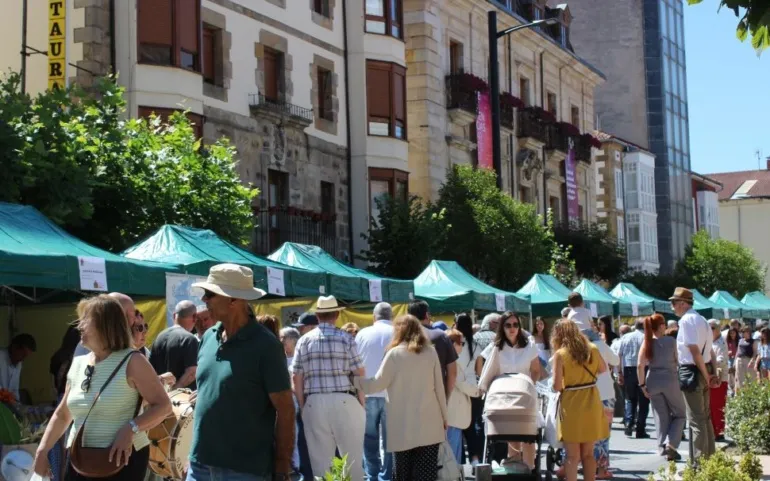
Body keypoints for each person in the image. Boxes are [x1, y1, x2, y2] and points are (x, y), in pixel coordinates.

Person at [32, 295, 172, 481]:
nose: (79, 326)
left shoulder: (134, 361)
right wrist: (42, 450)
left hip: (123, 461)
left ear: (104, 325)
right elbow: (63, 414)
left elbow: (163, 406)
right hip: (79, 459)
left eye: (85, 321)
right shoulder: (78, 363)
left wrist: (130, 429)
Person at [189, 263, 295, 480]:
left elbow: (285, 410)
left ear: (233, 300)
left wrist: (282, 466)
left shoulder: (266, 346)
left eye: (209, 294)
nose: (203, 300)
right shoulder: (208, 337)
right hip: (199, 466)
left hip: (244, 470)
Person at [353, 315, 448, 481]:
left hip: (402, 428)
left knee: (403, 475)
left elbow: (375, 385)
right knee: (426, 476)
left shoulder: (394, 354)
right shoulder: (430, 352)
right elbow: (440, 389)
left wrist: (354, 381)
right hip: (430, 426)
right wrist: (445, 418)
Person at [292, 296, 365, 480]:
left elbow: (296, 376)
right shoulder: (346, 339)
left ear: (317, 315)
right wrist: (362, 402)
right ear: (337, 314)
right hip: (345, 399)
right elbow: (359, 373)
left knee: (321, 465)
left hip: (314, 401)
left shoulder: (303, 340)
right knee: (353, 461)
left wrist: (302, 405)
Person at [478, 312, 540, 469]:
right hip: (504, 397)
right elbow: (484, 367)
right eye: (508, 325)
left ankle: (529, 468)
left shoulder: (529, 345)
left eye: (515, 325)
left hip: (524, 395)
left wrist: (529, 386)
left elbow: (536, 370)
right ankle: (515, 468)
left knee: (528, 436)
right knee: (512, 436)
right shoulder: (496, 347)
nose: (512, 328)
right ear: (502, 327)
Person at [551, 320, 608, 481]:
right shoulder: (593, 349)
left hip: (571, 404)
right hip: (591, 400)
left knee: (572, 455)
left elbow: (556, 386)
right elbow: (603, 369)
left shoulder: (560, 354)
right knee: (589, 454)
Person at [671, 287, 717, 462]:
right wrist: (711, 373)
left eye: (674, 303)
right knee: (704, 418)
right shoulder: (703, 319)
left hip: (693, 371)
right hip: (701, 369)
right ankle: (710, 459)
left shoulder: (687, 320)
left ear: (683, 303)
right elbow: (709, 351)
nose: (672, 306)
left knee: (697, 420)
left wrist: (706, 375)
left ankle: (699, 464)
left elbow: (694, 350)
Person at [355, 302, 395, 481]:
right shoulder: (397, 333)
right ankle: (386, 476)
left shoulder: (362, 334)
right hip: (391, 394)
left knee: (369, 438)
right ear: (391, 316)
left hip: (367, 393)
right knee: (390, 441)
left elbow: (355, 365)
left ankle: (372, 475)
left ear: (374, 316)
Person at [637, 314, 685, 461]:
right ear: (662, 326)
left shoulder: (647, 343)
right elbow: (679, 361)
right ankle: (671, 445)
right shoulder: (671, 341)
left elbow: (640, 365)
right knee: (680, 414)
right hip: (670, 379)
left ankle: (663, 444)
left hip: (652, 380)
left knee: (661, 415)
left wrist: (642, 385)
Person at [408, 301, 458, 399]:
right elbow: (452, 372)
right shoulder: (441, 336)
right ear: (427, 315)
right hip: (436, 396)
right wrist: (446, 397)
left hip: (408, 397)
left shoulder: (401, 338)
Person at [589, 322, 620, 479]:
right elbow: (615, 360)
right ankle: (601, 470)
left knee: (583, 432)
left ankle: (574, 465)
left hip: (584, 394)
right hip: (605, 393)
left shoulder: (573, 346)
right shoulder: (600, 345)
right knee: (603, 432)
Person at [445, 328, 480, 465]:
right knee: (453, 456)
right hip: (454, 414)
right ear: (453, 344)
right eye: (461, 343)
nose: (463, 346)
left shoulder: (444, 360)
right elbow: (461, 383)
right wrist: (478, 391)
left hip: (450, 413)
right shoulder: (453, 364)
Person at [454, 313, 483, 466]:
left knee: (456, 425)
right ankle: (475, 459)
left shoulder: (452, 343)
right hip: (472, 389)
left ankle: (458, 461)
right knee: (472, 426)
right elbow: (480, 372)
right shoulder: (476, 346)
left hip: (455, 389)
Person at [149, 300, 199, 391]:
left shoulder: (159, 337)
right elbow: (192, 373)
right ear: (195, 318)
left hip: (161, 397)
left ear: (174, 315)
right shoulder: (190, 339)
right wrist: (173, 391)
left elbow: (151, 370)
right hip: (182, 400)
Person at [616, 319, 650, 438]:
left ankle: (629, 423)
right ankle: (640, 429)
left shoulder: (625, 337)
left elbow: (619, 355)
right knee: (644, 400)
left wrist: (620, 372)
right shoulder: (646, 337)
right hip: (643, 368)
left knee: (630, 398)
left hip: (628, 369)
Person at [709, 319, 729, 442]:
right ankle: (713, 431)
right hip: (712, 377)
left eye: (712, 328)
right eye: (709, 328)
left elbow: (721, 360)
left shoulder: (721, 342)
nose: (710, 330)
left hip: (720, 378)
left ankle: (719, 432)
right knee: (711, 405)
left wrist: (709, 362)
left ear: (718, 329)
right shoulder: (711, 341)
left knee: (718, 406)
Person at [0, 333, 36, 401]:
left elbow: (14, 390)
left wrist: (18, 405)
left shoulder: (18, 363)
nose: (23, 359)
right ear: (14, 347)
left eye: (25, 357)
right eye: (23, 355)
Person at [735, 326, 758, 391]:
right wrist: (735, 361)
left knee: (751, 378)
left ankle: (751, 392)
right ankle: (741, 394)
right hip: (739, 360)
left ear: (748, 332)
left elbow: (755, 352)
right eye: (741, 332)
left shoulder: (753, 341)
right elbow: (737, 351)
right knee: (740, 378)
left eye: (743, 332)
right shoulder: (740, 340)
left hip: (748, 360)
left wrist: (752, 360)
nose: (742, 333)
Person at [725, 327, 739, 393]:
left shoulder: (739, 340)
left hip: (737, 358)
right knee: (730, 371)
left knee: (735, 372)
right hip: (730, 358)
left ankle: (736, 387)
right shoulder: (727, 341)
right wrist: (727, 352)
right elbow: (724, 350)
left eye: (733, 333)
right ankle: (732, 387)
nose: (732, 334)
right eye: (731, 333)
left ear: (736, 333)